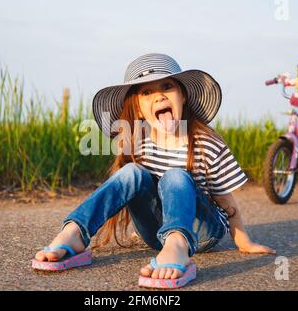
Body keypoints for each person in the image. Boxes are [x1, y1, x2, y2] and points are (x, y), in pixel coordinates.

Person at [32, 53, 275, 289]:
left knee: (175, 176)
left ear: (183, 97)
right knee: (131, 172)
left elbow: (225, 200)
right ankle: (75, 232)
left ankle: (178, 244)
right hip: (156, 235)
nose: (159, 96)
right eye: (147, 92)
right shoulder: (139, 144)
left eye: (167, 86)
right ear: (138, 109)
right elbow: (128, 193)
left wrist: (244, 241)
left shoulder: (205, 144)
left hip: (202, 232)